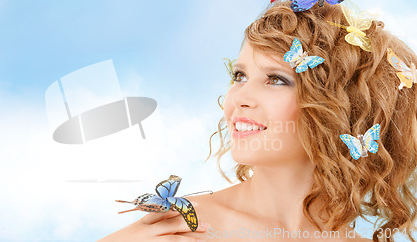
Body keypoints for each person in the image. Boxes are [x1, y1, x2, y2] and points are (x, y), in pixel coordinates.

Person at [99, 1, 417, 241]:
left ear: (345, 107)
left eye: (276, 80)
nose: (237, 99)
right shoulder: (178, 230)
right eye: (240, 75)